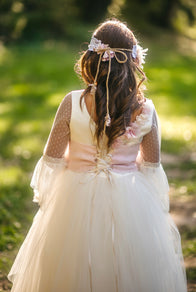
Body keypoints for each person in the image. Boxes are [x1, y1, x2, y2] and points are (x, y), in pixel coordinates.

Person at [7, 19, 187, 292]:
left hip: (75, 192)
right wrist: (124, 164)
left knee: (71, 264)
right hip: (129, 197)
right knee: (125, 265)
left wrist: (52, 195)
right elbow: (151, 165)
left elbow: (52, 159)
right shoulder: (146, 109)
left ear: (91, 59)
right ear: (133, 61)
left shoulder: (72, 102)